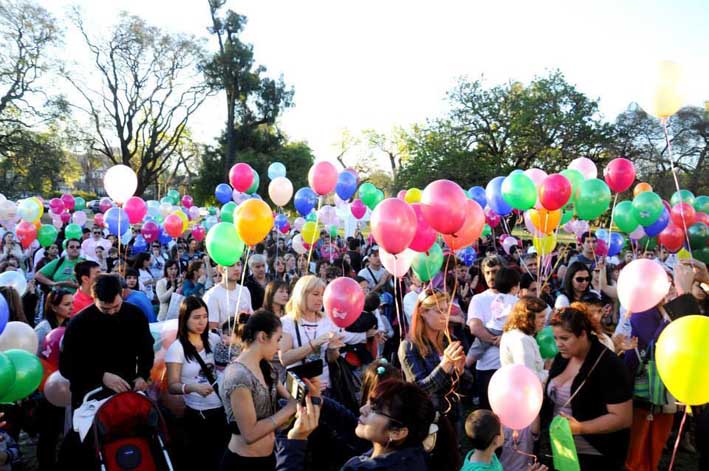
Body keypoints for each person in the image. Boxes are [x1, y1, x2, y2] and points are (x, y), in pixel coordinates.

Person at [58, 274, 154, 469]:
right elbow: (67, 366)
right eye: (105, 309)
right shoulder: (79, 323)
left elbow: (146, 349)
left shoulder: (134, 315)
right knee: (90, 451)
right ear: (94, 299)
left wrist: (142, 375)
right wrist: (101, 376)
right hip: (90, 396)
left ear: (122, 294)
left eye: (116, 307)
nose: (111, 313)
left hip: (126, 394)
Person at [543, 306, 633, 470]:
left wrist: (580, 428)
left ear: (583, 334)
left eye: (564, 338)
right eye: (555, 338)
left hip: (595, 455)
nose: (558, 344)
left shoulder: (609, 365)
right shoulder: (562, 358)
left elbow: (622, 418)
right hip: (560, 451)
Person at [275, 379, 436, 471]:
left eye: (374, 409)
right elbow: (350, 427)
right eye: (368, 403)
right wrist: (319, 402)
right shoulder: (409, 452)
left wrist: (294, 441)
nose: (362, 409)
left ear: (398, 432)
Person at [220, 310, 297, 470]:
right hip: (243, 463)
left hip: (269, 457)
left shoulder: (265, 366)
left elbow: (289, 399)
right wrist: (289, 409)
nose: (278, 347)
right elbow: (249, 434)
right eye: (278, 339)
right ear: (262, 337)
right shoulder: (238, 376)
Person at [399, 288, 465, 470]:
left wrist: (460, 371)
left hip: (453, 416)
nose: (445, 315)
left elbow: (466, 385)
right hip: (430, 422)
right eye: (439, 310)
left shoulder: (448, 341)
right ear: (422, 312)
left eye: (446, 310)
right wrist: (445, 365)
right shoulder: (409, 347)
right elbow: (419, 390)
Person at [279, 275, 375, 393]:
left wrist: (332, 350)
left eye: (322, 295)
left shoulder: (328, 320)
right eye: (315, 294)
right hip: (299, 389)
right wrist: (315, 343)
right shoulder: (287, 322)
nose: (320, 299)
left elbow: (331, 359)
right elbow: (284, 358)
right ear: (302, 294)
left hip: (327, 388)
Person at [166, 296, 227, 470]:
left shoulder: (214, 340)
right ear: (185, 319)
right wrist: (192, 387)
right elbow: (172, 385)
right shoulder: (176, 349)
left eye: (205, 316)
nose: (202, 322)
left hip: (222, 409)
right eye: (196, 317)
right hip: (198, 415)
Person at [498, 296, 549, 470]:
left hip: (512, 403)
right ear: (528, 317)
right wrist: (550, 373)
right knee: (519, 453)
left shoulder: (513, 334)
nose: (544, 321)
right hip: (521, 405)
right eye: (540, 317)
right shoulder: (521, 340)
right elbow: (529, 378)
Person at [467, 255, 502, 410]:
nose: (491, 276)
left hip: (510, 365)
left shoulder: (514, 298)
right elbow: (475, 328)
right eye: (487, 272)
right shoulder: (478, 299)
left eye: (494, 271)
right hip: (486, 368)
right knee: (488, 414)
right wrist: (499, 340)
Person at [467, 267, 520, 363]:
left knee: (476, 348)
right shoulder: (515, 301)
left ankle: (466, 364)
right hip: (504, 330)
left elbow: (494, 310)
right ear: (514, 288)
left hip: (491, 327)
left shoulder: (498, 297)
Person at [204, 263, 253, 330]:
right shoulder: (212, 295)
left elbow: (251, 316)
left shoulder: (245, 290)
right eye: (231, 265)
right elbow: (212, 329)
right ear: (221, 269)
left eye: (239, 265)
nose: (237, 269)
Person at [35, 288, 73, 355]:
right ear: (53, 307)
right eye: (67, 304)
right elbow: (36, 355)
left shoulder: (70, 326)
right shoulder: (43, 329)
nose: (72, 307)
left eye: (72, 303)